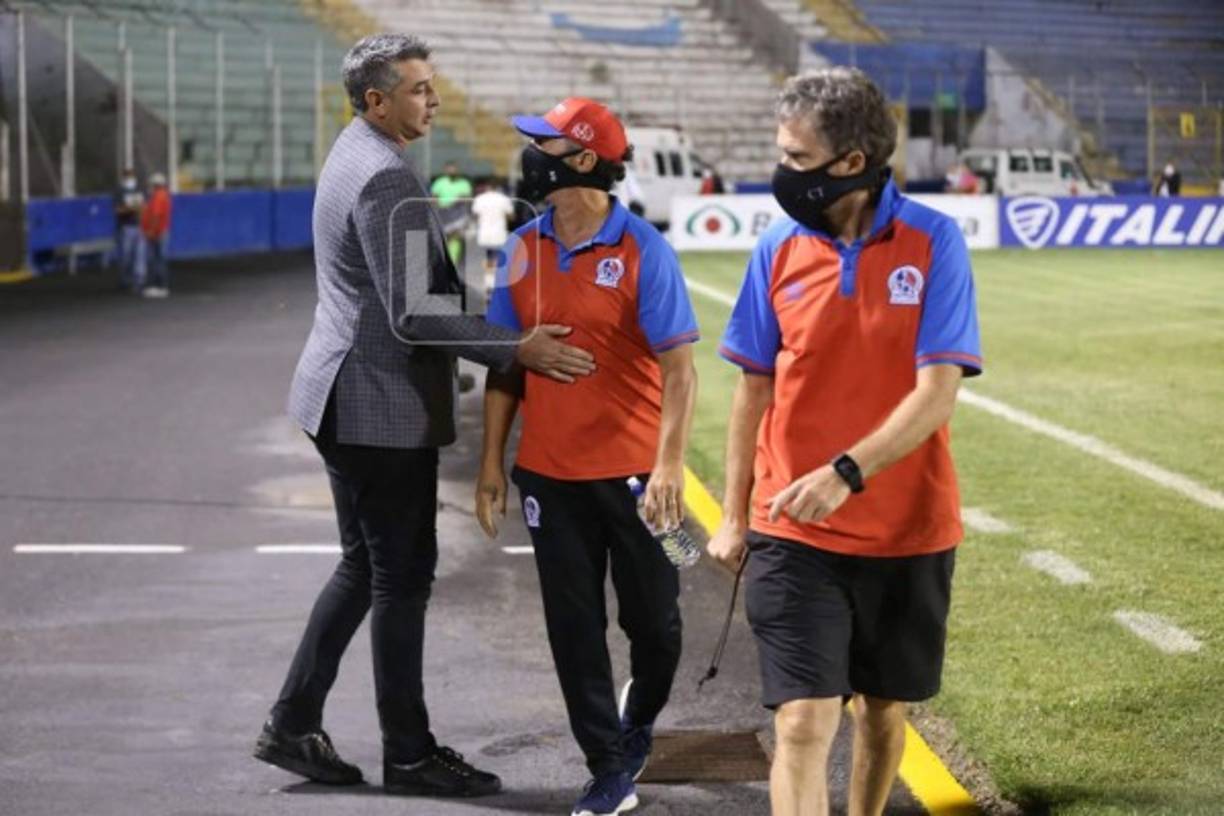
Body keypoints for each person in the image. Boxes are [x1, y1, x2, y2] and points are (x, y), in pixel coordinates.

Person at [254, 33, 596, 800]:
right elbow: (414, 312)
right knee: (401, 576)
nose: (433, 100)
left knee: (364, 566)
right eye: (418, 88)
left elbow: (398, 291)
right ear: (377, 100)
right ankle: (408, 754)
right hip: (375, 408)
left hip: (338, 393)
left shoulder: (354, 152)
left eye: (431, 85)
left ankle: (293, 722)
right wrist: (515, 347)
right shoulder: (386, 178)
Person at [706, 67, 982, 816]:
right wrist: (734, 515)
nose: (781, 171)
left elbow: (938, 392)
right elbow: (752, 390)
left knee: (882, 711)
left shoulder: (934, 242)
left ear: (852, 161)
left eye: (796, 158)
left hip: (906, 529)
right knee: (800, 722)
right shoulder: (776, 248)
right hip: (792, 526)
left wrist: (845, 472)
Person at [477, 97, 699, 816]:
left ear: (580, 159)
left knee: (657, 626)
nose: (529, 153)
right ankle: (607, 767)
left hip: (639, 480)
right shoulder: (521, 249)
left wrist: (669, 466)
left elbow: (681, 371)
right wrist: (491, 464)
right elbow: (504, 366)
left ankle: (638, 719)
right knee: (573, 631)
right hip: (549, 477)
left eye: (543, 142)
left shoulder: (644, 250)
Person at [469, 178, 515, 279]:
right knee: (499, 258)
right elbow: (511, 216)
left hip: (484, 233)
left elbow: (475, 215)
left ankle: (488, 281)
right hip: (499, 233)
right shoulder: (504, 199)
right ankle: (497, 280)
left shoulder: (480, 199)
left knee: (488, 257)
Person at [431, 161, 473, 263]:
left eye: (454, 169)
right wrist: (438, 207)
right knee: (443, 238)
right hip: (443, 214)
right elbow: (434, 198)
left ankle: (453, 261)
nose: (451, 171)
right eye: (449, 169)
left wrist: (458, 201)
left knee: (455, 238)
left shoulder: (464, 183)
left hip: (458, 215)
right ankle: (443, 260)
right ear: (445, 170)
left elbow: (467, 198)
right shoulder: (439, 182)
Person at [141, 173, 172, 298]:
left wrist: (152, 231)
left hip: (157, 233)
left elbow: (156, 216)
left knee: (156, 260)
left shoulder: (158, 197)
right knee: (159, 259)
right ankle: (160, 286)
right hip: (161, 232)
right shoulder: (163, 196)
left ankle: (158, 286)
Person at [113, 168, 145, 292]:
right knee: (126, 256)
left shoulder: (139, 190)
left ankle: (139, 281)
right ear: (124, 178)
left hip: (139, 226)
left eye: (132, 177)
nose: (130, 179)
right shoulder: (119, 191)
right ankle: (125, 280)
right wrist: (130, 208)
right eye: (128, 177)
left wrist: (141, 209)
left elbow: (145, 206)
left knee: (139, 255)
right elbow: (117, 210)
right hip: (126, 227)